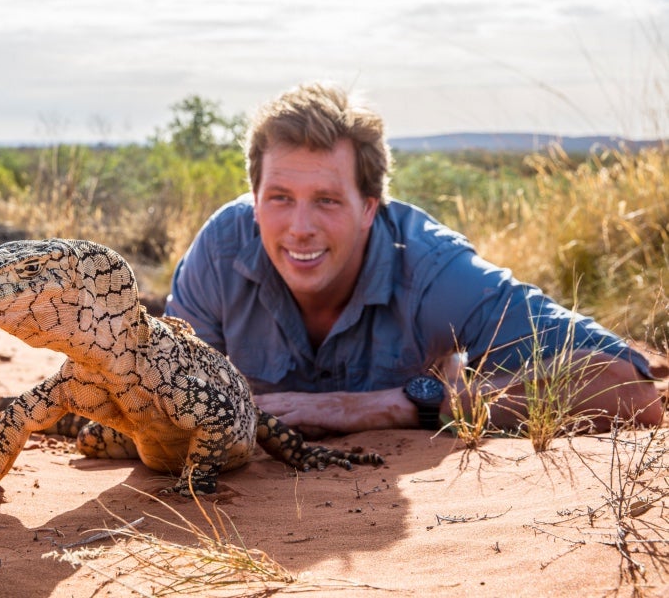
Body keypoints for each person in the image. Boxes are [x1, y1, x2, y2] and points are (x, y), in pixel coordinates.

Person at [164, 81, 663, 437]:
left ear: (368, 209)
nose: (299, 227)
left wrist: (394, 405)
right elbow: (162, 393)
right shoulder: (220, 253)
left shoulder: (436, 272)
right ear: (253, 199)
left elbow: (631, 388)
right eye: (278, 198)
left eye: (327, 200)